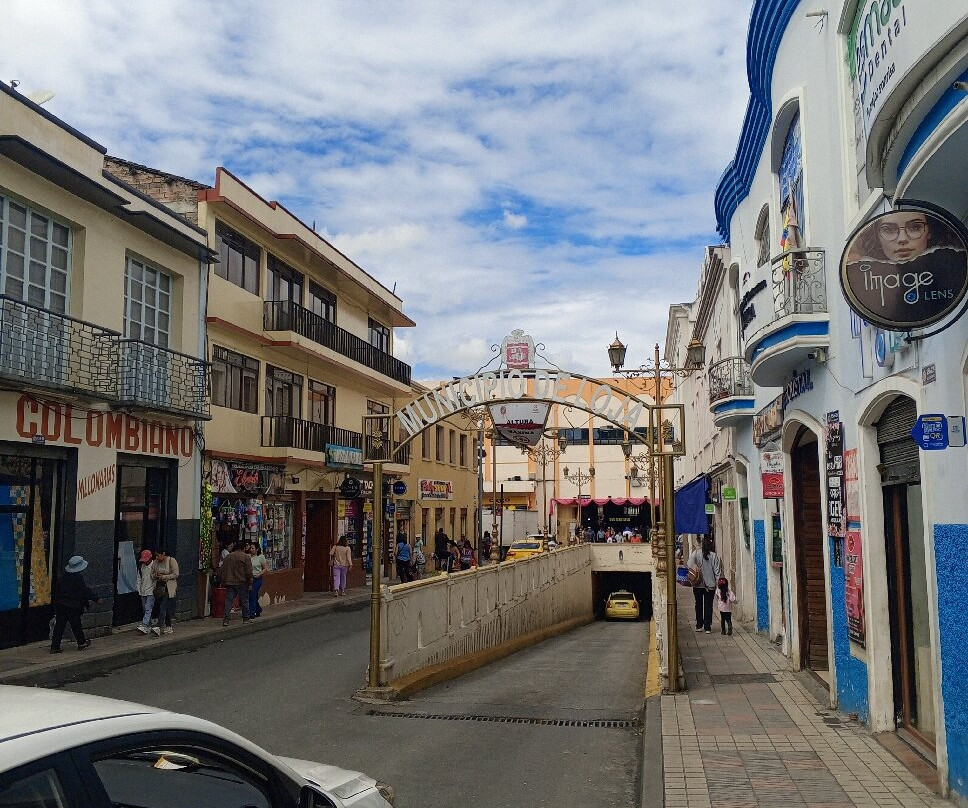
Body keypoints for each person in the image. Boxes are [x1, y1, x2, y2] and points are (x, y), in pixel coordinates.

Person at [50, 555, 100, 653]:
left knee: (59, 626)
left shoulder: (62, 578)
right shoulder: (78, 578)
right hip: (73, 606)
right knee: (76, 625)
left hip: (61, 605)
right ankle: (81, 642)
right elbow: (85, 591)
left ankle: (55, 646)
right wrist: (96, 598)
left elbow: (56, 592)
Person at [687, 536, 722, 633]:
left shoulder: (696, 553)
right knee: (708, 605)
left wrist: (695, 567)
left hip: (698, 584)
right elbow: (717, 572)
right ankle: (707, 627)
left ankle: (699, 625)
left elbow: (689, 563)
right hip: (710, 586)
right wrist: (718, 584)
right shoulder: (713, 556)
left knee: (698, 604)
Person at [220, 541, 252, 625]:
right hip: (242, 582)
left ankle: (226, 620)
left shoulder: (228, 556)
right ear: (243, 548)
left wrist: (223, 580)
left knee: (229, 601)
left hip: (230, 582)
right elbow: (248, 572)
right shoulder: (246, 557)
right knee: (244, 601)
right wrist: (250, 582)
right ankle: (246, 618)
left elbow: (223, 569)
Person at [152, 549, 179, 636]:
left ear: (163, 554)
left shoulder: (171, 561)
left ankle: (159, 626)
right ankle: (168, 626)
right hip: (159, 588)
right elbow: (151, 574)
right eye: (156, 556)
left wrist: (164, 576)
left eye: (158, 555)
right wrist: (155, 575)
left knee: (163, 607)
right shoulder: (155, 562)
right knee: (164, 607)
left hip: (168, 588)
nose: (157, 557)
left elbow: (176, 574)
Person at [136, 549, 156, 635]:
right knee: (145, 608)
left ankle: (144, 625)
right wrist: (139, 589)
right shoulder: (142, 567)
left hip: (151, 591)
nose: (145, 562)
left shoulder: (154, 566)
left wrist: (154, 589)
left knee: (148, 608)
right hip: (143, 591)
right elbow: (139, 578)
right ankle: (149, 624)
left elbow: (156, 580)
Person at [248, 541, 268, 617]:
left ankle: (252, 612)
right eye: (250, 548)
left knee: (253, 594)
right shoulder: (248, 557)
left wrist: (259, 574)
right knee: (252, 595)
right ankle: (258, 609)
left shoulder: (261, 557)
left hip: (257, 578)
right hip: (250, 578)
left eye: (253, 548)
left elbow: (265, 568)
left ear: (257, 549)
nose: (251, 549)